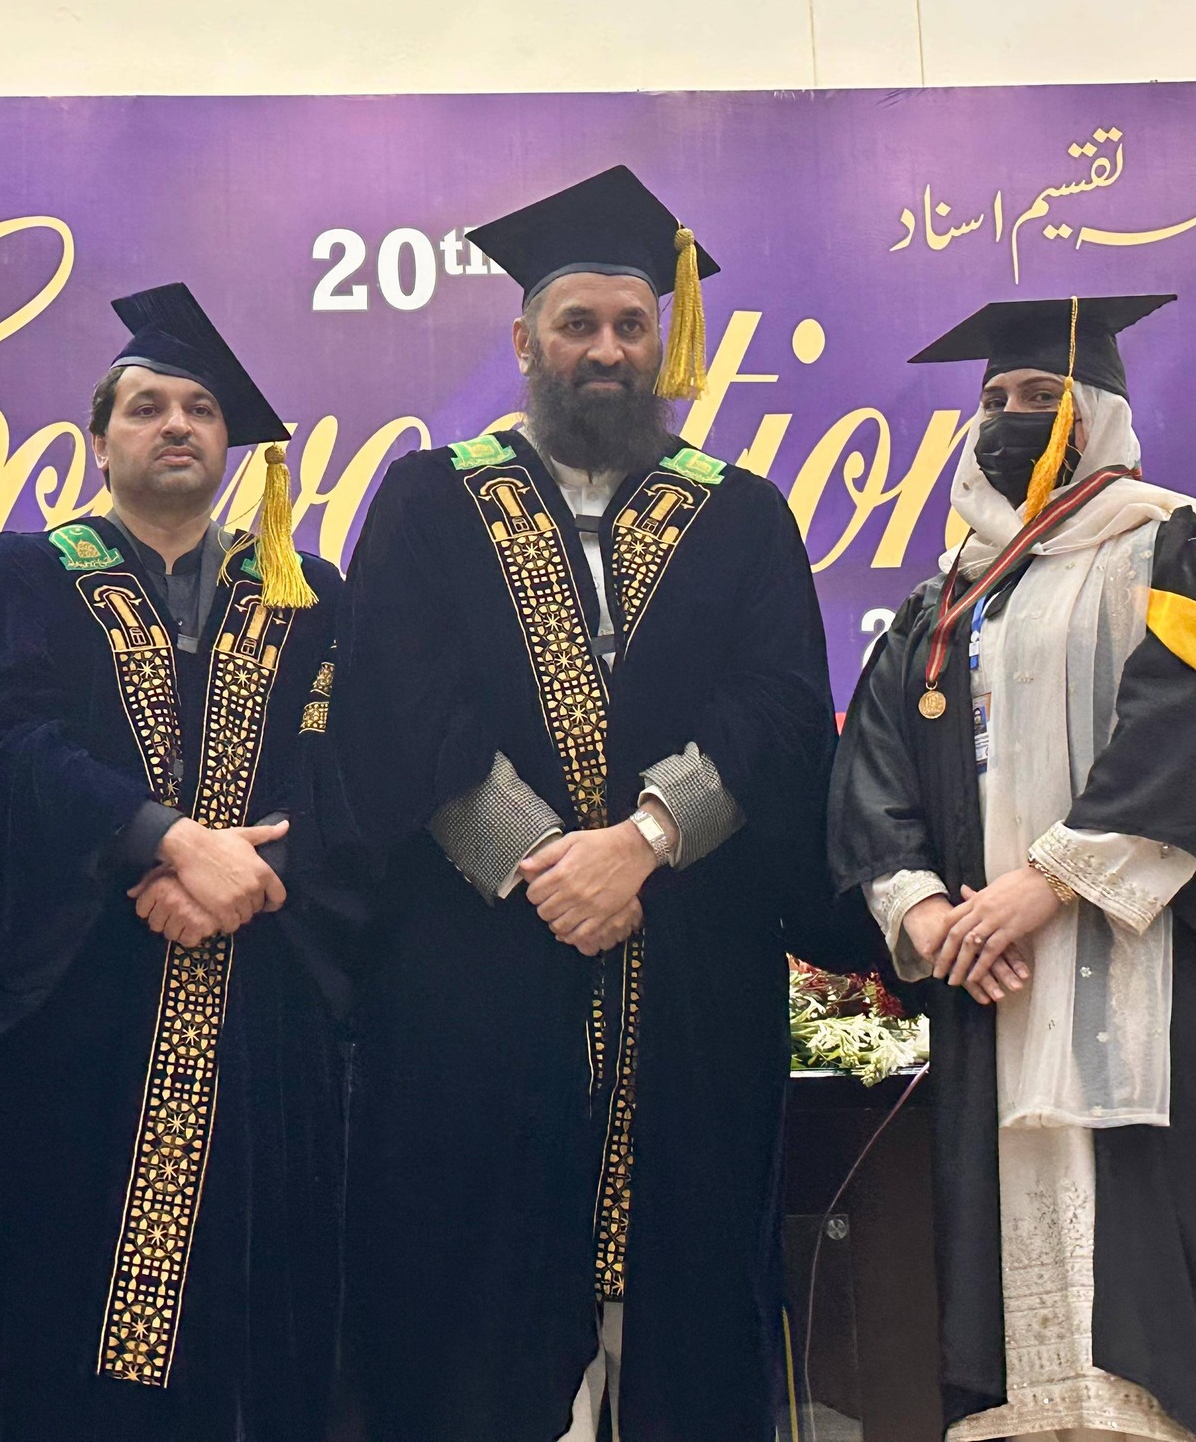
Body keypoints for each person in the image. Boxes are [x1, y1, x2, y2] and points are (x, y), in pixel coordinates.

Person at [337, 166, 865, 1442]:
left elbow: (780, 710)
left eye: (632, 326)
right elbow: (398, 710)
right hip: (475, 981)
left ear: (661, 342)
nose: (607, 351)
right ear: (524, 341)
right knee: (472, 1309)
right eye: (576, 325)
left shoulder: (741, 515)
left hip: (689, 982)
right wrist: (542, 863)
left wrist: (641, 842)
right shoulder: (427, 499)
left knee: (689, 1298)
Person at [830, 294, 1196, 1442]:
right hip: (995, 996)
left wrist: (1041, 884)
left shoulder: (1177, 545)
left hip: (1168, 987)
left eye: (1038, 396)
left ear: (1094, 410)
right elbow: (872, 774)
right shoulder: (943, 604)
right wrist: (927, 911)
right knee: (1011, 1338)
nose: (1008, 417)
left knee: (1187, 1298)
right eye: (994, 399)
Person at [0, 283, 348, 1441]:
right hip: (74, 1015)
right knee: (66, 1321)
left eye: (201, 409)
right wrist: (159, 841)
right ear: (97, 439)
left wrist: (247, 877)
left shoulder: (306, 595)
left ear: (232, 443)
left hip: (263, 1016)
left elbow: (348, 773)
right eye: (146, 406)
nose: (175, 425)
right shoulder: (24, 574)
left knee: (257, 1329)